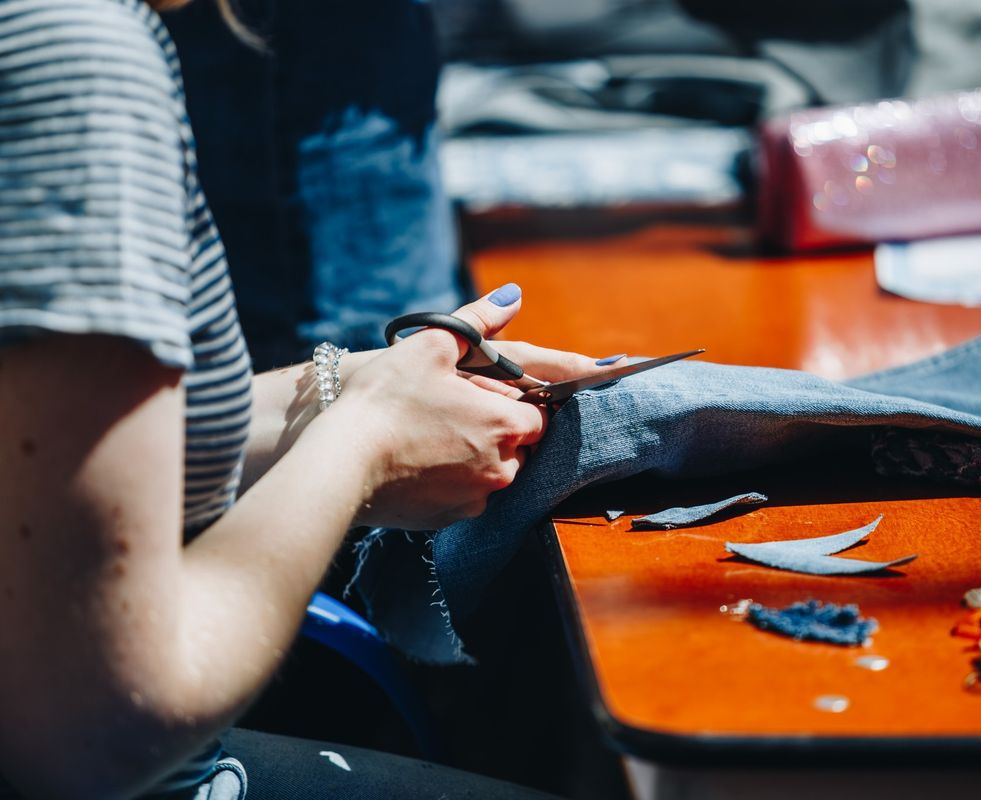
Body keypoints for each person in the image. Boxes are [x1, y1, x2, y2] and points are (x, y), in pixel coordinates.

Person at [0, 0, 620, 796]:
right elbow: (95, 734)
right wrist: (367, 440)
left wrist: (341, 389)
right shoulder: (67, 51)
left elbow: (52, 454)